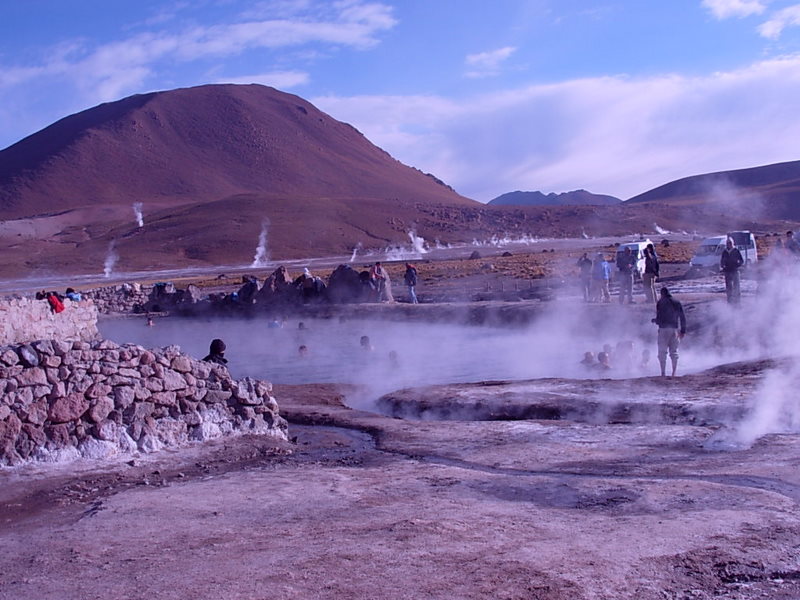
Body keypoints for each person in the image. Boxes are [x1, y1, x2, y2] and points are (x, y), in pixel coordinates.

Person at [652, 287, 686, 377]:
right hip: (674, 329)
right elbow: (682, 317)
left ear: (662, 294)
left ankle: (663, 372)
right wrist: (683, 330)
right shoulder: (676, 302)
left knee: (662, 352)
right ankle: (674, 372)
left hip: (663, 329)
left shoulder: (660, 303)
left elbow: (659, 318)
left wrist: (655, 321)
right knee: (674, 352)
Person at [720, 237, 744, 304]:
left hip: (735, 271)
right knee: (729, 287)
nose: (729, 244)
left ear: (732, 243)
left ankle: (737, 302)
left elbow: (741, 260)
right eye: (728, 243)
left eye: (730, 243)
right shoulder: (725, 252)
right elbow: (722, 261)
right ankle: (730, 302)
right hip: (727, 271)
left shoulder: (736, 250)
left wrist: (737, 265)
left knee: (737, 287)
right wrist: (723, 265)